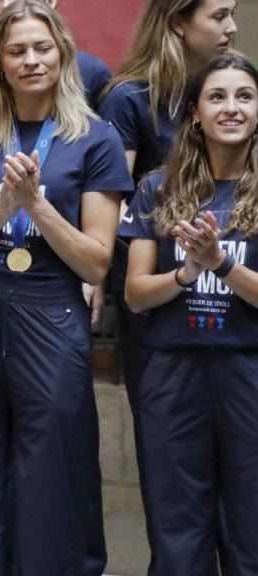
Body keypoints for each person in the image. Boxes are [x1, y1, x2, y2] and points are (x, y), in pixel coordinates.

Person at [0, 2, 134, 574]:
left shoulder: (95, 139)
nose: (31, 60)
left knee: (54, 469)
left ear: (63, 54)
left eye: (42, 48)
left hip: (50, 312)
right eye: (17, 50)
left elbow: (97, 264)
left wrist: (37, 206)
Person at [121, 53, 258, 576]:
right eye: (217, 97)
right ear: (196, 113)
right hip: (173, 375)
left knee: (251, 529)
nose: (231, 108)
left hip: (247, 371)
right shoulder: (158, 188)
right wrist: (185, 274)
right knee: (178, 531)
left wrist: (219, 264)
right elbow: (134, 294)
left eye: (244, 97)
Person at [100, 0, 238, 479]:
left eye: (233, 14)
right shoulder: (132, 97)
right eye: (218, 15)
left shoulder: (231, 91)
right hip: (158, 283)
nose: (232, 26)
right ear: (179, 21)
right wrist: (177, 240)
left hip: (230, 280)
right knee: (168, 436)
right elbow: (111, 199)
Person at [0, 0, 112, 131]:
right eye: (16, 52)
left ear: (49, 1)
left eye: (43, 49)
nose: (5, 4)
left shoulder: (94, 74)